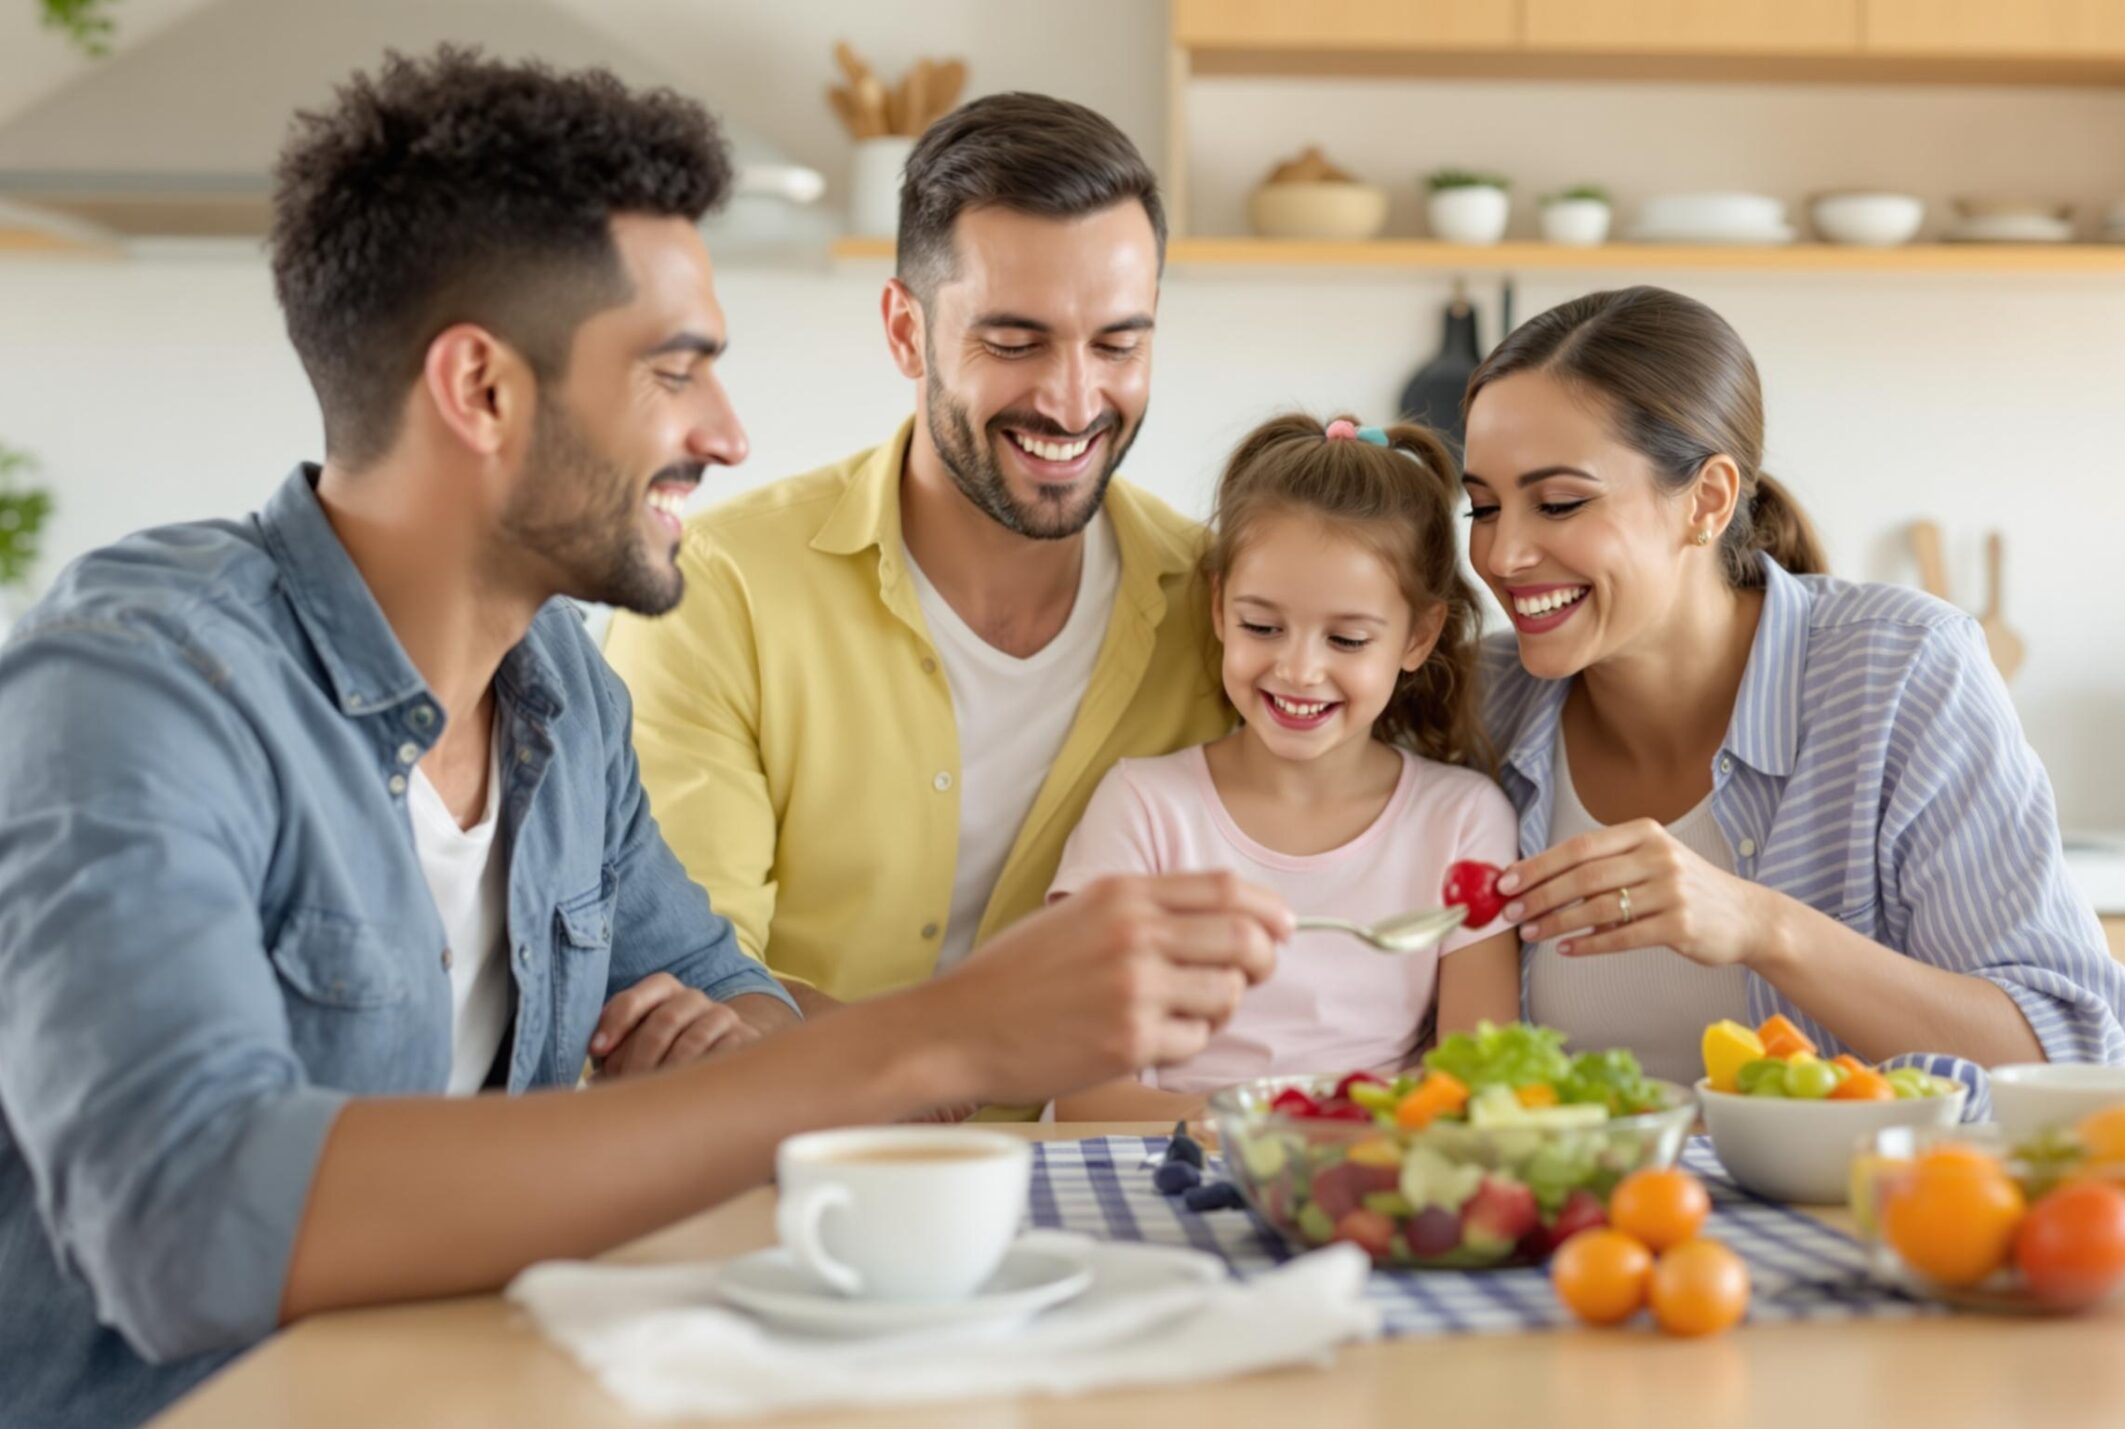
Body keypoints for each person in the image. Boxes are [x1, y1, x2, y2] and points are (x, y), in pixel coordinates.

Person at [0, 52, 1283, 1427]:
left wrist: (766, 1048)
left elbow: (729, 1001)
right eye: (677, 372)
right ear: (482, 391)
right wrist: (947, 1036)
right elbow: (187, 1220)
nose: (726, 434)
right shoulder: (138, 688)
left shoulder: (560, 688)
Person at [603, 94, 1229, 1025]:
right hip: (792, 1149)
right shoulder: (718, 590)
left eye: (1117, 344)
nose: (1072, 400)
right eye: (1014, 342)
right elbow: (678, 981)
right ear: (906, 331)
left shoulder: (1229, 611)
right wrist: (926, 1059)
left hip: (1122, 1152)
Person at [1461, 286, 2125, 1088]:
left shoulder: (1900, 674)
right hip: (1578, 1210)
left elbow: (2078, 1056)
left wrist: (1762, 924)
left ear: (1707, 501)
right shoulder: (1480, 704)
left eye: (1558, 503)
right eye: (1481, 507)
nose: (1503, 555)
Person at [1046, 416, 1521, 1119]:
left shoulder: (1461, 820)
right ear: (1218, 608)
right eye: (1262, 626)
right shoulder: (1144, 806)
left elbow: (1478, 1088)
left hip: (1371, 1177)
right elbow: (1087, 1099)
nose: (1299, 669)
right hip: (1163, 1167)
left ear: (1419, 635)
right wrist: (1283, 1125)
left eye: (1347, 638)